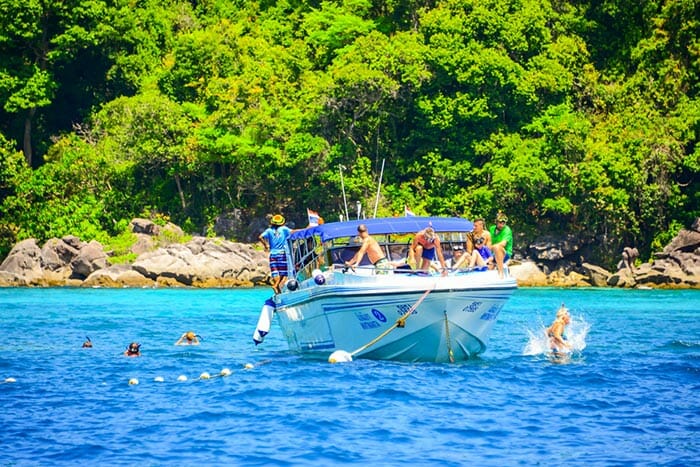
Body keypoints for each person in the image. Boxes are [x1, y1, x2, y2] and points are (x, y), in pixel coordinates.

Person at [259, 214, 293, 294]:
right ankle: (276, 286)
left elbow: (260, 237)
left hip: (272, 255)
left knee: (275, 273)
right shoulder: (284, 229)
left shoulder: (269, 230)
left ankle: (277, 291)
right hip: (282, 254)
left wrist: (266, 245)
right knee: (284, 273)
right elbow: (293, 232)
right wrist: (308, 228)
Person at [489, 212, 513, 278]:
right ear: (496, 222)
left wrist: (491, 247)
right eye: (500, 223)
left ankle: (501, 273)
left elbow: (503, 244)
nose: (502, 225)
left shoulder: (507, 230)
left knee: (497, 247)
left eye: (504, 223)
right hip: (493, 253)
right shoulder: (492, 228)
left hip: (505, 253)